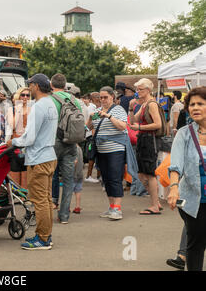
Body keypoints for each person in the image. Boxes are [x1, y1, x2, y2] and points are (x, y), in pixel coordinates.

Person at [6, 73, 58, 250]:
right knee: (47, 199)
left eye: (30, 86)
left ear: (36, 86)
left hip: (38, 158)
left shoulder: (38, 106)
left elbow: (29, 138)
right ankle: (46, 235)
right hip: (50, 156)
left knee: (40, 200)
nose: (29, 89)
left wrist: (13, 142)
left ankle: (42, 238)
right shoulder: (51, 104)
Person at [168, 86, 206, 271]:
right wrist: (174, 187)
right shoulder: (184, 133)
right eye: (192, 104)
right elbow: (175, 165)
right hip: (193, 200)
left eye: (200, 104)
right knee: (196, 245)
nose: (195, 108)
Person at [87, 86, 136, 220]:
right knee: (106, 180)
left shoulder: (118, 109)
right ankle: (111, 207)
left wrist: (108, 116)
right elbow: (88, 127)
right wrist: (91, 118)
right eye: (100, 97)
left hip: (116, 149)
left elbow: (122, 126)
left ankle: (117, 209)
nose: (102, 100)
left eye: (105, 97)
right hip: (101, 150)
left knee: (115, 178)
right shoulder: (97, 110)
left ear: (112, 97)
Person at [50, 73, 82, 225]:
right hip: (71, 143)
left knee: (47, 176)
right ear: (65, 85)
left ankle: (47, 209)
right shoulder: (75, 100)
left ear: (51, 85)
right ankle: (64, 216)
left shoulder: (49, 99)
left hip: (54, 142)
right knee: (69, 180)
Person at [129, 78, 163, 215]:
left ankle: (154, 205)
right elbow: (133, 120)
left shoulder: (152, 104)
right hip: (143, 139)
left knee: (149, 173)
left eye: (140, 89)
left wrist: (139, 127)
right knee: (142, 173)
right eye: (137, 89)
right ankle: (156, 202)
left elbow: (158, 124)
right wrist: (131, 107)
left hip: (150, 139)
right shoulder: (144, 104)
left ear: (148, 90)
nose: (137, 92)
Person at [8, 87, 32, 189]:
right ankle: (15, 194)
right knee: (14, 170)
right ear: (18, 96)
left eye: (28, 95)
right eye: (23, 95)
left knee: (26, 171)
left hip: (27, 144)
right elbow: (12, 125)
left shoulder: (32, 108)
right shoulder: (12, 109)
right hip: (14, 143)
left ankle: (25, 196)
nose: (25, 97)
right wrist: (18, 110)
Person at [72, 144, 84, 214]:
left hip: (73, 174)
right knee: (78, 191)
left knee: (68, 192)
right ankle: (77, 207)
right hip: (80, 174)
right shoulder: (79, 148)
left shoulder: (74, 149)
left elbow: (75, 161)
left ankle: (66, 207)